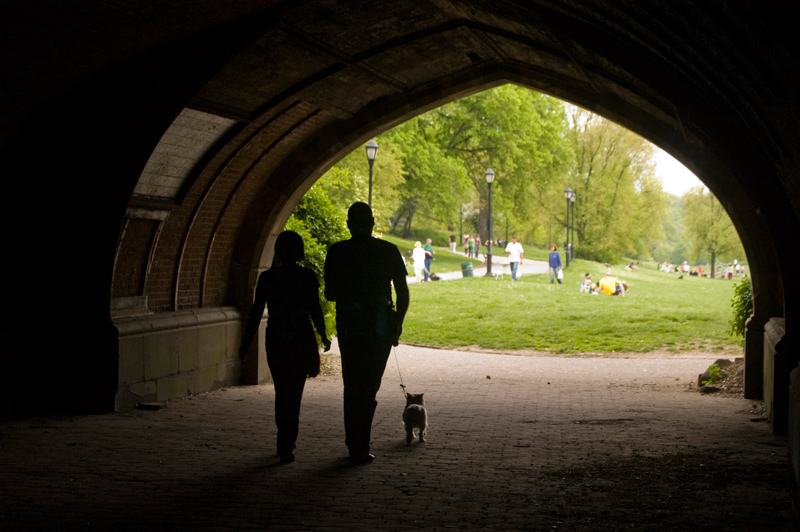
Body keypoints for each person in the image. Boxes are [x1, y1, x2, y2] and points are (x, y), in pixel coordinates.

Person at [324, 202, 410, 464]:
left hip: (350, 325)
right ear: (373, 222)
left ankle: (355, 442)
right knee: (370, 385)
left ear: (349, 224)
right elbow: (403, 292)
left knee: (352, 385)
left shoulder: (337, 252)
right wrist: (398, 321)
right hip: (380, 324)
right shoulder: (387, 250)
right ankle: (361, 443)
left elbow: (330, 293)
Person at [238, 230, 331, 464]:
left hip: (277, 337)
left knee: (282, 392)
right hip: (301, 338)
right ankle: (287, 444)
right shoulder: (308, 277)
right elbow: (315, 311)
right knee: (295, 394)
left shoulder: (268, 279)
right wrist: (323, 335)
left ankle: (283, 440)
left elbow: (256, 312)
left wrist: (246, 344)